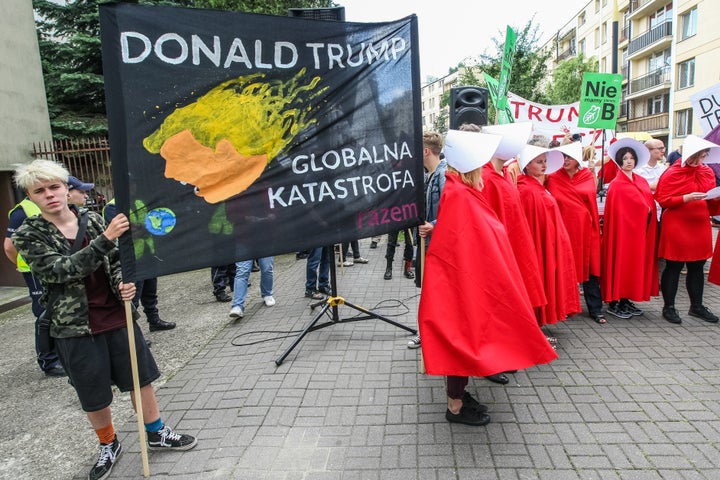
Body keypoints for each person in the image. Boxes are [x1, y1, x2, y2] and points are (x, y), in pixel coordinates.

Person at [11, 160, 196, 480]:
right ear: (31, 196)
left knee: (141, 378)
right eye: (39, 191)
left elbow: (116, 260)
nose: (50, 195)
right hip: (73, 325)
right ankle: (109, 444)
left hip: (116, 314)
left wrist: (125, 282)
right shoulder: (29, 234)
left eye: (55, 187)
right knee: (92, 391)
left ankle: (156, 432)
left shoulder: (93, 220)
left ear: (66, 188)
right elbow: (61, 270)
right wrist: (107, 237)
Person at [418, 129, 558, 426]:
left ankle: (458, 398)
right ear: (472, 167)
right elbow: (465, 239)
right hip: (460, 283)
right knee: (460, 340)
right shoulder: (459, 193)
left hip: (462, 280)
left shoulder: (462, 189)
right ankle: (455, 406)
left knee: (463, 340)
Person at [655, 135, 720, 324]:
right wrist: (686, 198)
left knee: (697, 266)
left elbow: (709, 198)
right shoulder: (672, 172)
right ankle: (669, 307)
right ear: (692, 155)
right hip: (677, 223)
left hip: (699, 224)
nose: (704, 160)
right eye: (702, 156)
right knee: (674, 266)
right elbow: (663, 199)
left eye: (706, 156)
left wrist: (715, 198)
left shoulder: (706, 172)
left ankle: (697, 306)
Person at [517, 143, 581, 328]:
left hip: (549, 241)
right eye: (539, 162)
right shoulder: (527, 190)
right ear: (528, 165)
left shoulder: (537, 186)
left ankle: (538, 324)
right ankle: (534, 325)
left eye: (545, 161)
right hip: (540, 244)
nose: (544, 165)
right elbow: (531, 223)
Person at [4, 197, 65, 377]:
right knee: (44, 313)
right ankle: (49, 361)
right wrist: (27, 263)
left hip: (54, 267)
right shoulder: (21, 210)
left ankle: (60, 355)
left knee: (58, 311)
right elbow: (9, 246)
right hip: (35, 270)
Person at [546, 142, 605, 323]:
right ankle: (562, 307)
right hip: (563, 228)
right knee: (562, 268)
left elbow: (592, 198)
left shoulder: (587, 175)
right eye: (563, 157)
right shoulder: (552, 177)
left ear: (577, 159)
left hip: (587, 230)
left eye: (569, 157)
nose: (565, 161)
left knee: (591, 269)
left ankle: (595, 309)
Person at [600, 138, 659, 319]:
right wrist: (644, 209)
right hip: (623, 234)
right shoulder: (617, 185)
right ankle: (615, 301)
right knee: (622, 263)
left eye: (631, 158)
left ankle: (626, 299)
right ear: (619, 161)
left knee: (634, 265)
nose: (629, 161)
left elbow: (646, 201)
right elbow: (622, 210)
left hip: (640, 232)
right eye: (625, 158)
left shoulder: (639, 180)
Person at [103, 199, 175, 331]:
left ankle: (154, 320)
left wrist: (141, 227)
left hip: (148, 254)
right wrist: (145, 228)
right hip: (130, 259)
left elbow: (154, 224)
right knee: (133, 297)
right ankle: (131, 332)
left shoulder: (140, 203)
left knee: (150, 292)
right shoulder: (112, 207)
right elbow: (128, 231)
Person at [408, 130, 447, 350]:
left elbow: (451, 210)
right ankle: (428, 333)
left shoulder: (443, 176)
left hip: (437, 246)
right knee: (428, 292)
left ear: (425, 151)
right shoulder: (427, 175)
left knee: (435, 294)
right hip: (426, 245)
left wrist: (434, 224)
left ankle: (433, 335)